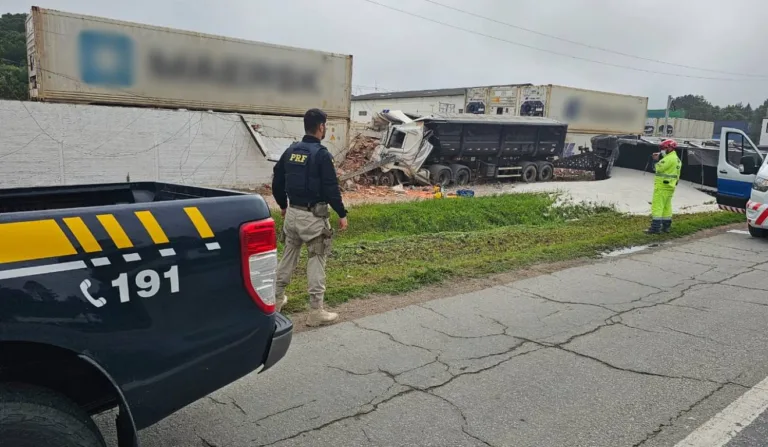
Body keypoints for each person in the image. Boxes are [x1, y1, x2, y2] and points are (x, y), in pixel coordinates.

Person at [272, 108, 348, 326]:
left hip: (292, 215)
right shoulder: (322, 155)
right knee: (316, 260)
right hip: (313, 218)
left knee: (288, 256)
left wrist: (282, 205)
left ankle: (276, 300)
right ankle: (316, 311)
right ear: (321, 127)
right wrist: (342, 213)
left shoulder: (291, 150)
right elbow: (331, 188)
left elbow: (277, 179)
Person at [645, 139, 681, 234]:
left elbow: (657, 168)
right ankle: (666, 226)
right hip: (670, 186)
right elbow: (677, 174)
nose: (662, 151)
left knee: (657, 206)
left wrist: (656, 160)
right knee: (667, 207)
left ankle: (655, 228)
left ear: (670, 148)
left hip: (662, 186)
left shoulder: (668, 159)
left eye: (663, 148)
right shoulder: (677, 159)